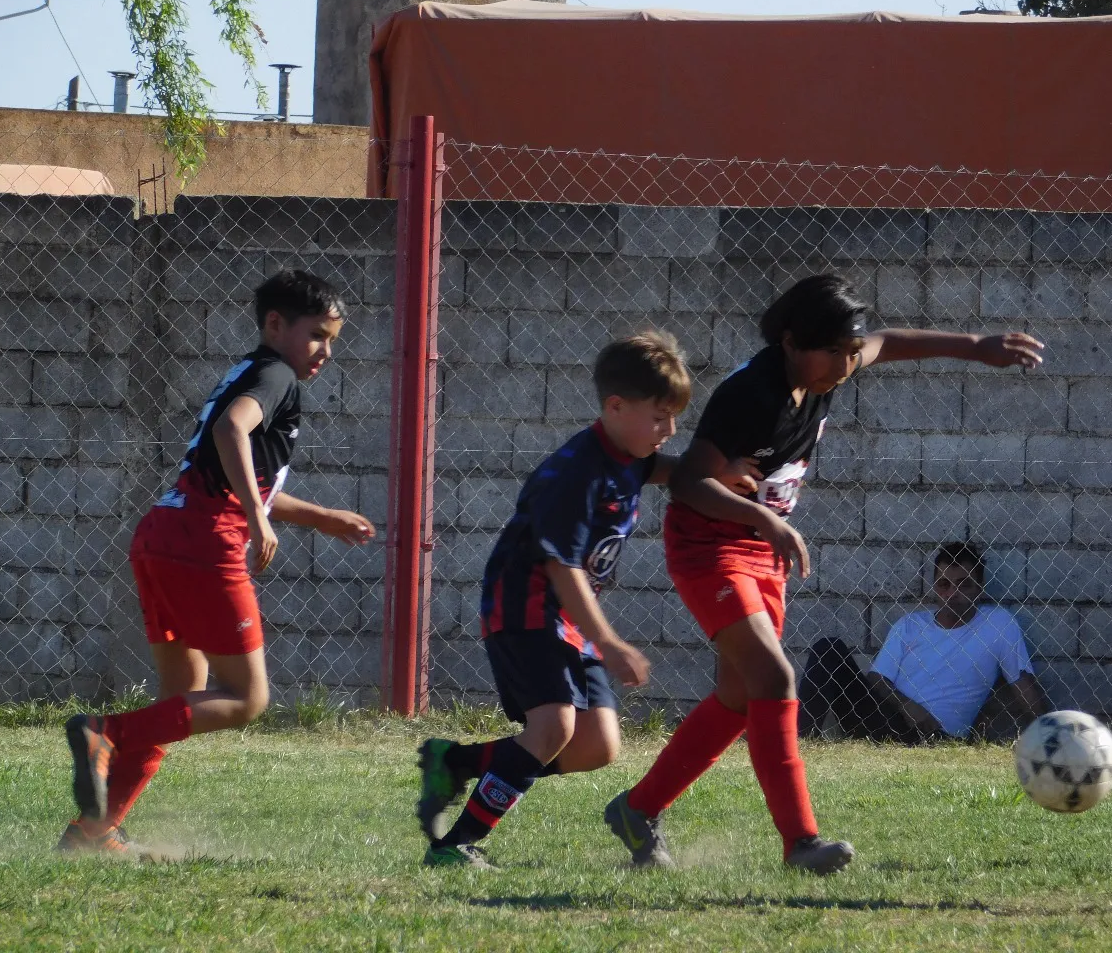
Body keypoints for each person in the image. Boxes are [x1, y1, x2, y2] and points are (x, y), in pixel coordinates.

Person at [604, 273, 1045, 874]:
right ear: (791, 341)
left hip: (761, 545)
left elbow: (887, 342)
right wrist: (764, 518)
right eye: (832, 350)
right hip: (711, 547)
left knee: (738, 697)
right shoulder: (750, 395)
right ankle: (800, 843)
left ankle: (639, 808)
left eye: (847, 350)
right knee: (774, 679)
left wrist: (977, 346)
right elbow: (689, 483)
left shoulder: (826, 367)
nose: (844, 362)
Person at [59, 270, 376, 854]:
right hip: (205, 544)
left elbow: (236, 472)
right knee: (246, 697)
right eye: (317, 336)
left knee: (185, 691)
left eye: (333, 339)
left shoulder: (248, 373)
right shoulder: (277, 375)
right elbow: (234, 433)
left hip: (161, 534)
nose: (326, 352)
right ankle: (105, 735)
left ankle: (94, 830)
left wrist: (318, 516)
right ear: (275, 325)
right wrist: (256, 517)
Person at [413, 331, 755, 868]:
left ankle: (455, 762)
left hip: (565, 619)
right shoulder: (578, 472)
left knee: (596, 746)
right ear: (615, 407)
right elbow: (561, 565)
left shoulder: (629, 454)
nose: (670, 430)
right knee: (553, 729)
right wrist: (609, 642)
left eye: (674, 418)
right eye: (660, 417)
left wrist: (717, 476)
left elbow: (670, 474)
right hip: (526, 608)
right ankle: (455, 847)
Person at [800, 541, 1047, 744]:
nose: (952, 593)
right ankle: (797, 741)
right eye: (944, 585)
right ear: (935, 588)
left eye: (964, 584)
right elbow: (877, 678)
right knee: (828, 649)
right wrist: (907, 706)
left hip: (936, 735)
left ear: (980, 589)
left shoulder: (999, 624)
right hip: (887, 717)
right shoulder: (911, 625)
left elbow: (1022, 683)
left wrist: (1050, 732)